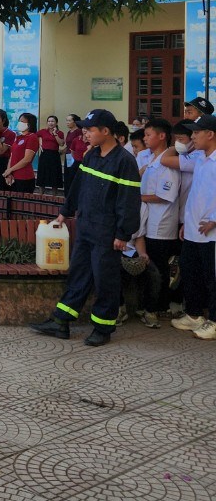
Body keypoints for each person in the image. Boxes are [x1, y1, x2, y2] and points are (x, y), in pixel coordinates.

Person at [30, 108, 141, 346]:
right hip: (86, 226)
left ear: (106, 131)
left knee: (105, 280)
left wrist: (123, 233)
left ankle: (103, 328)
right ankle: (61, 321)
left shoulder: (125, 161)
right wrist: (64, 212)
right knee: (78, 274)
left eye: (90, 130)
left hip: (107, 232)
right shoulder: (91, 156)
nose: (85, 134)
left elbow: (129, 201)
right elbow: (78, 186)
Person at [162, 114, 216, 338]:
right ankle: (194, 314)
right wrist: (187, 222)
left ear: (210, 134)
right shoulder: (200, 158)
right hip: (194, 228)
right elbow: (197, 193)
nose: (192, 137)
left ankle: (214, 321)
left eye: (196, 132)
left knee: (212, 277)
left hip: (211, 232)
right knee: (191, 272)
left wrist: (214, 218)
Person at [134, 118, 180, 329]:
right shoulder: (150, 161)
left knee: (157, 268)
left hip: (161, 224)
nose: (145, 138)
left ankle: (155, 307)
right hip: (147, 221)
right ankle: (148, 305)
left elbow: (164, 195)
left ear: (162, 136)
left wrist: (137, 198)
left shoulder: (167, 164)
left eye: (148, 134)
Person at [4, 113, 40, 193]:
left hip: (24, 177)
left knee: (21, 200)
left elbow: (27, 159)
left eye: (22, 121)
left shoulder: (32, 137)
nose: (19, 123)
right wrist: (8, 172)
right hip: (13, 176)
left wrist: (11, 169)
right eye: (19, 121)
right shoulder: (18, 137)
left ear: (29, 124)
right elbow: (12, 156)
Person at [63, 114, 88, 197]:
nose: (67, 122)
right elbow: (69, 145)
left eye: (69, 120)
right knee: (68, 175)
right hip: (69, 155)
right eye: (67, 120)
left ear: (75, 122)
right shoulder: (69, 132)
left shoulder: (78, 131)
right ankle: (67, 195)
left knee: (73, 175)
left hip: (76, 157)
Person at [37, 116, 64, 191]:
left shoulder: (60, 133)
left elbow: (61, 144)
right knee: (42, 175)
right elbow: (34, 136)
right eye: (49, 121)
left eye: (52, 121)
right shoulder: (43, 131)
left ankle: (54, 196)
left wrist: (55, 134)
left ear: (56, 123)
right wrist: (39, 141)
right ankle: (40, 195)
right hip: (44, 154)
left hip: (54, 155)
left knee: (54, 176)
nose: (50, 123)